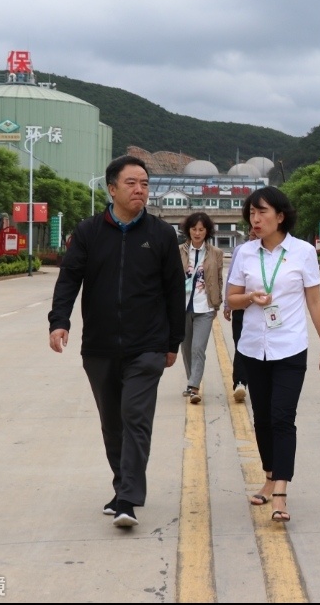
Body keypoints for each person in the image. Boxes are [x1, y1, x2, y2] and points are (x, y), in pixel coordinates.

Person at [48, 155, 185, 528]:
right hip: (100, 346)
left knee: (135, 417)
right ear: (111, 189)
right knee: (112, 423)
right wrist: (59, 321)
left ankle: (128, 498)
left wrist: (173, 341)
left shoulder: (161, 234)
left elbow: (175, 291)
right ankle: (122, 484)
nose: (140, 189)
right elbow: (69, 279)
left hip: (148, 346)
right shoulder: (89, 232)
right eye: (131, 183)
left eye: (145, 183)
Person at [227, 187, 320, 523]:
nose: (255, 219)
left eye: (262, 212)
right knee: (261, 418)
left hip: (290, 347)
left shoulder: (303, 252)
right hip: (253, 348)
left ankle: (281, 494)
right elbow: (231, 298)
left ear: (280, 216)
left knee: (282, 418)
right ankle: (270, 475)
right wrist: (250, 298)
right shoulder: (245, 253)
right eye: (251, 213)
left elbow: (314, 301)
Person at [178, 212, 224, 405]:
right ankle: (192, 381)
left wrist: (217, 303)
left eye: (201, 229)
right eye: (194, 229)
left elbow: (219, 279)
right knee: (186, 348)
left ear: (207, 231)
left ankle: (194, 386)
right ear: (188, 230)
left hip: (205, 307)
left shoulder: (215, 253)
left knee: (198, 347)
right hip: (182, 307)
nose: (197, 233)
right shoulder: (178, 251)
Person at [224, 229, 259, 403]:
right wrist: (227, 304)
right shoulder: (241, 251)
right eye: (251, 235)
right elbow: (231, 279)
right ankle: (240, 382)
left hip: (263, 311)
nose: (254, 237)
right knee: (240, 345)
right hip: (241, 306)